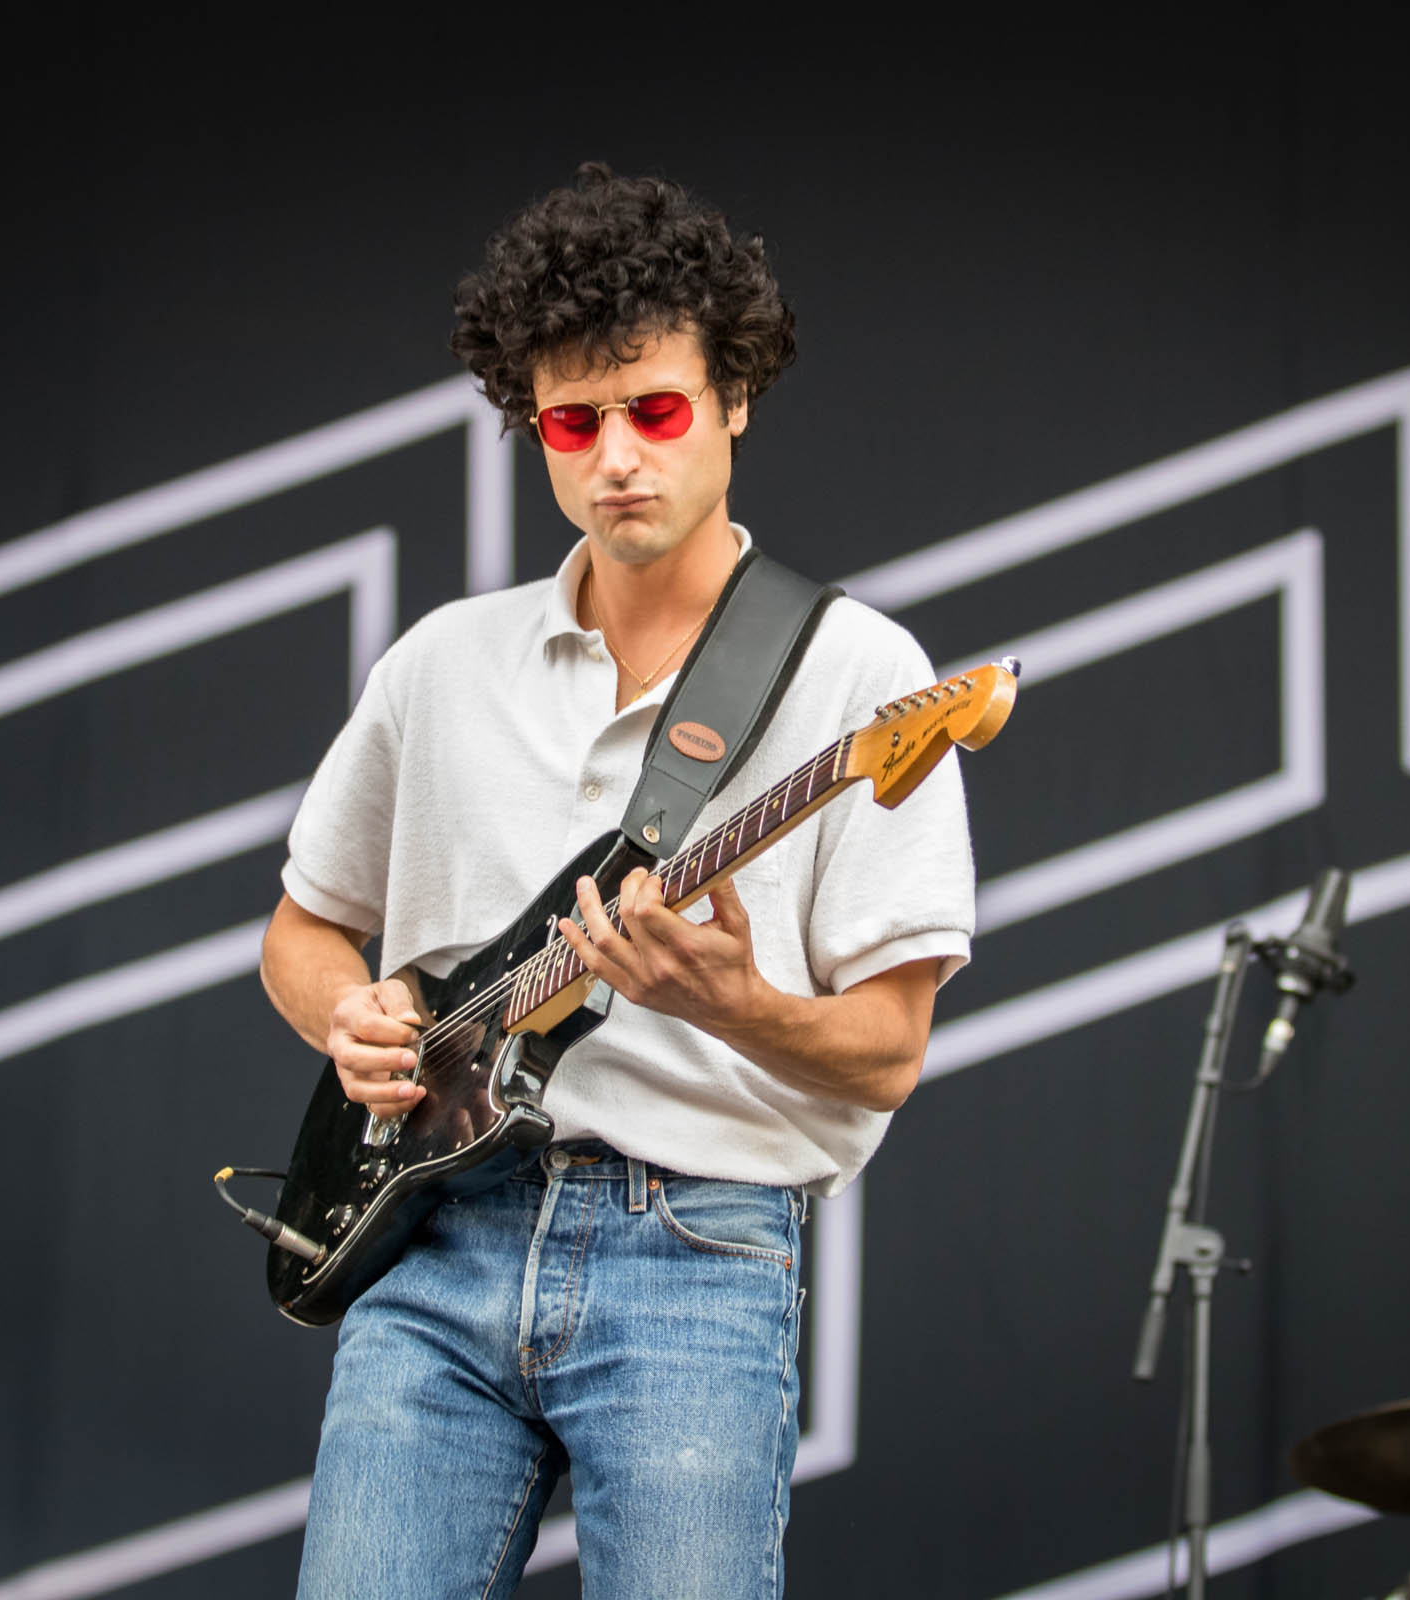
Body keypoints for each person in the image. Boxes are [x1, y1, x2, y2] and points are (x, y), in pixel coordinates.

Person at [260, 164, 976, 1599]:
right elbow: (301, 929)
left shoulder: (860, 677)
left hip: (697, 1249)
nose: (615, 461)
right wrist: (350, 1016)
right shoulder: (442, 664)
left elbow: (888, 1054)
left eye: (652, 411)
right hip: (432, 1238)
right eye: (572, 425)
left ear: (733, 399)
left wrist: (734, 1001)